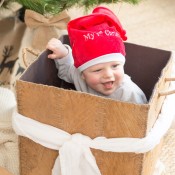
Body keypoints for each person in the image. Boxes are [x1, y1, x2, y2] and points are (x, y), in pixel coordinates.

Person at [46, 6, 147, 104]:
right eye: (98, 70)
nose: (108, 74)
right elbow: (68, 70)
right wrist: (64, 53)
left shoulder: (130, 94)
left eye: (115, 66)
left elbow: (142, 116)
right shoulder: (79, 77)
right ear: (83, 75)